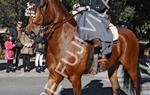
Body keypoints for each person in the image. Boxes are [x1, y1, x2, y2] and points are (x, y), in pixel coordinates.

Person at [73, 0, 113, 72]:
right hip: (88, 14)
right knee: (76, 15)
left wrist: (88, 7)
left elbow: (101, 7)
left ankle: (98, 40)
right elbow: (83, 2)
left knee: (86, 15)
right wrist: (78, 5)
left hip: (100, 16)